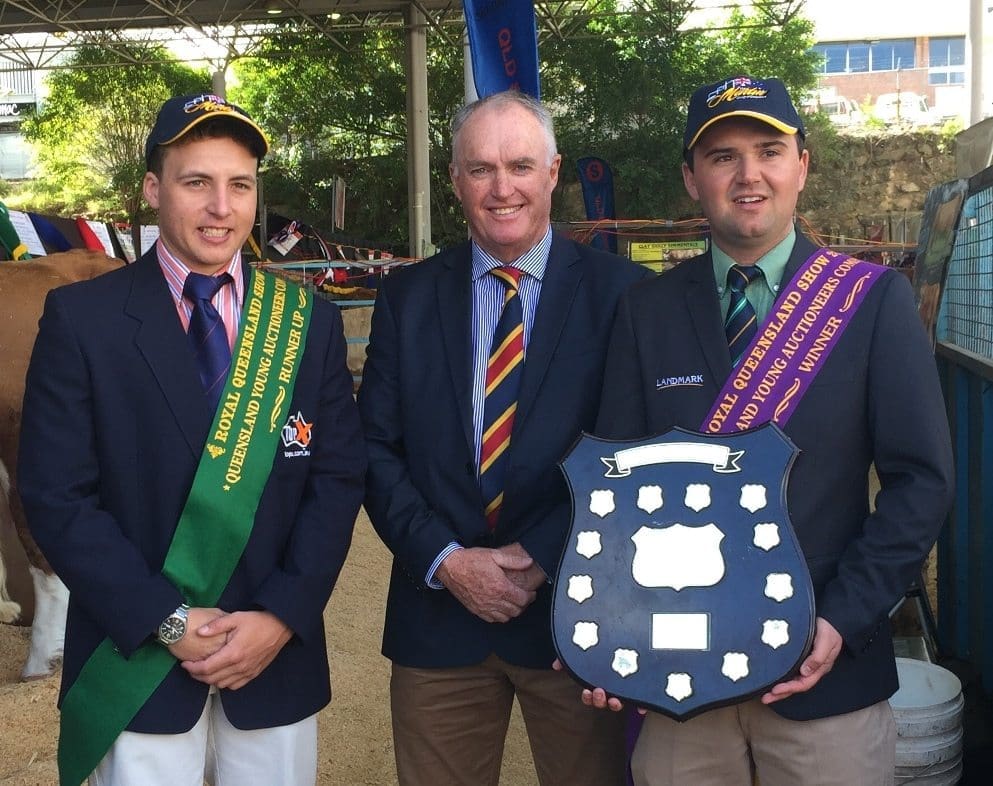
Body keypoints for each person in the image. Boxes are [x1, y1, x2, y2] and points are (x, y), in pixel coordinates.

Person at [586, 75, 954, 785]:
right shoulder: (646, 312)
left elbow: (921, 483)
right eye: (722, 156)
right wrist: (609, 631)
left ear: (801, 165)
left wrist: (841, 619)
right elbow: (612, 491)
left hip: (823, 678)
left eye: (767, 150)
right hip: (679, 681)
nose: (747, 174)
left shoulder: (871, 303)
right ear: (692, 179)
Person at [18, 93, 365, 786]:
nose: (220, 207)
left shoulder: (307, 322)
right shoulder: (82, 318)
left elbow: (335, 481)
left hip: (275, 660)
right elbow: (56, 495)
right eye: (196, 182)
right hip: (139, 658)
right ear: (153, 189)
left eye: (239, 185)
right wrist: (169, 622)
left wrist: (279, 615)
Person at [357, 89, 650, 786]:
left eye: (519, 165)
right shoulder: (407, 298)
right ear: (455, 181)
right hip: (438, 615)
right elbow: (373, 449)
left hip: (576, 612)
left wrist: (544, 554)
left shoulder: (624, 295)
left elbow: (630, 451)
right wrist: (448, 560)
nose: (501, 187)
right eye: (480, 168)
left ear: (551, 172)